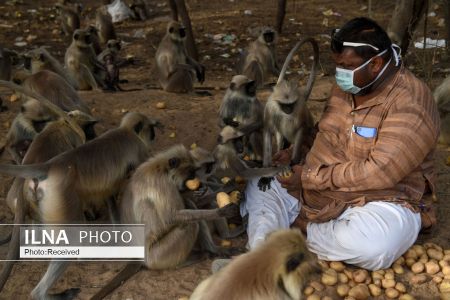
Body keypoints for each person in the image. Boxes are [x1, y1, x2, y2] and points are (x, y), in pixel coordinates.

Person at [240, 17, 440, 271]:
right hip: (315, 192)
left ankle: (293, 235)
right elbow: (325, 131)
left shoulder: (410, 103)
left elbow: (380, 172)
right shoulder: (354, 83)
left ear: (376, 63)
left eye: (347, 66)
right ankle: (263, 255)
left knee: (374, 246)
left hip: (376, 202)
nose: (340, 73)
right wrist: (294, 153)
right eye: (338, 66)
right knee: (260, 183)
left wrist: (309, 177)